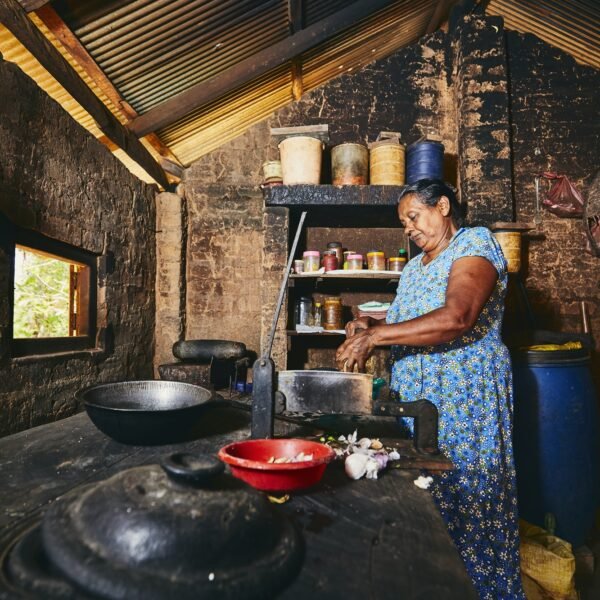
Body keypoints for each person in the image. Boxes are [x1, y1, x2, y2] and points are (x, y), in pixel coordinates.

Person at [336, 179, 525, 600]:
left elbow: (457, 317)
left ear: (442, 206)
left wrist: (376, 339)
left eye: (413, 216)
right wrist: (371, 326)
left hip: (463, 399)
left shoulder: (474, 244)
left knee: (469, 497)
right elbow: (409, 321)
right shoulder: (413, 267)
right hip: (417, 403)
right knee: (424, 504)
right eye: (404, 222)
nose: (409, 228)